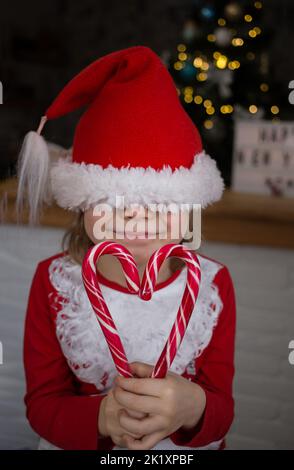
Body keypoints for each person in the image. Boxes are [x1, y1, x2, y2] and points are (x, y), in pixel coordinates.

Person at [16, 45, 236, 451]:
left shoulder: (212, 286)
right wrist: (101, 418)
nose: (136, 219)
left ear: (191, 207)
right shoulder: (54, 282)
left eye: (161, 204)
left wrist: (193, 407)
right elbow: (42, 405)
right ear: (83, 205)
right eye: (110, 201)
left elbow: (222, 407)